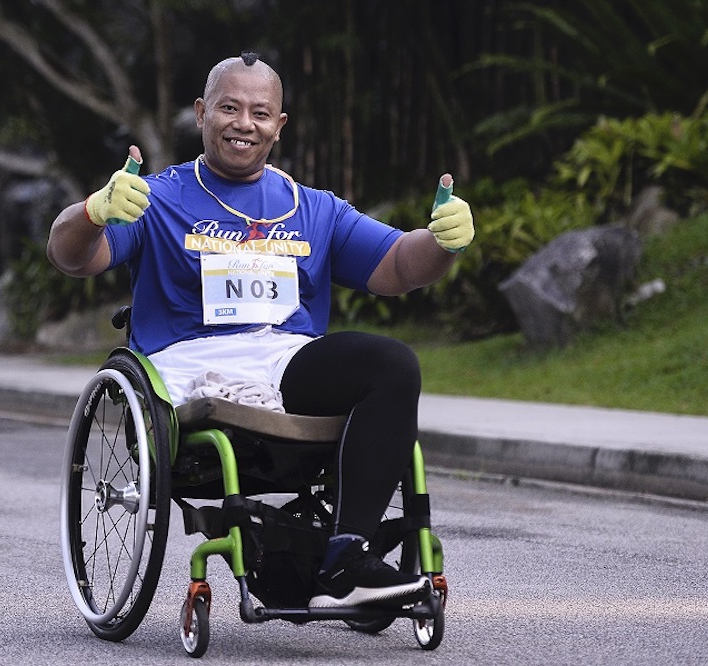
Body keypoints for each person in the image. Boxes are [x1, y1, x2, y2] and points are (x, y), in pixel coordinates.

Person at [47, 52, 474, 609]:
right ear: (201, 114)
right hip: (190, 371)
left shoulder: (313, 208)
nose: (243, 123)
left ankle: (345, 559)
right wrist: (93, 212)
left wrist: (441, 242)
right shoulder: (157, 198)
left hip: (284, 363)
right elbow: (72, 256)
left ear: (279, 125)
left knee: (392, 365)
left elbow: (397, 266)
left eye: (260, 112)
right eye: (229, 107)